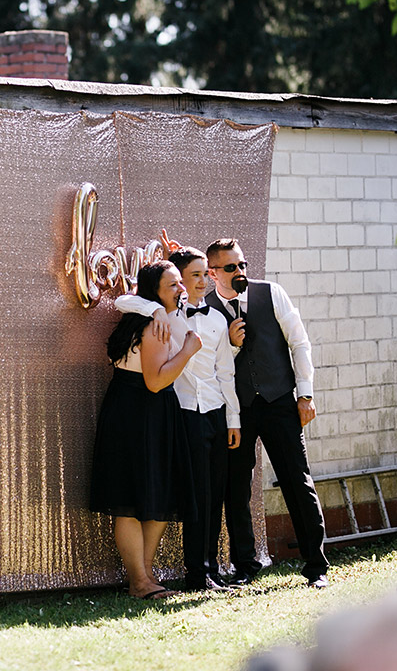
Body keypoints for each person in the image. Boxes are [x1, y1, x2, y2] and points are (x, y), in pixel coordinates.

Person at [203, 238, 329, 588]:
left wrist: (305, 394)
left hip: (279, 402)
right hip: (236, 413)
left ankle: (316, 566)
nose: (240, 272)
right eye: (231, 267)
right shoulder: (207, 309)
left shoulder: (271, 293)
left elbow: (299, 342)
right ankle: (245, 567)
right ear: (213, 273)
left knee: (297, 480)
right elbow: (208, 364)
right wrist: (229, 343)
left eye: (242, 264)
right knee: (236, 490)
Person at [115, 246, 243, 591]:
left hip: (205, 411)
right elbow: (124, 302)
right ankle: (188, 573)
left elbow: (224, 372)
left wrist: (233, 419)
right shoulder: (160, 316)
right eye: (190, 277)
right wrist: (155, 308)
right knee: (184, 496)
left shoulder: (212, 317)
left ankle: (203, 570)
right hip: (174, 411)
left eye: (206, 275)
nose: (198, 283)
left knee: (203, 493)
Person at [89, 261, 202, 599]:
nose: (181, 289)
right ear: (155, 291)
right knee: (130, 498)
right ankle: (139, 580)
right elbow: (155, 382)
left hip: (145, 411)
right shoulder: (153, 326)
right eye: (173, 285)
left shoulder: (156, 317)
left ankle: (145, 575)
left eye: (181, 282)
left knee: (156, 494)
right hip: (140, 410)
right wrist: (188, 351)